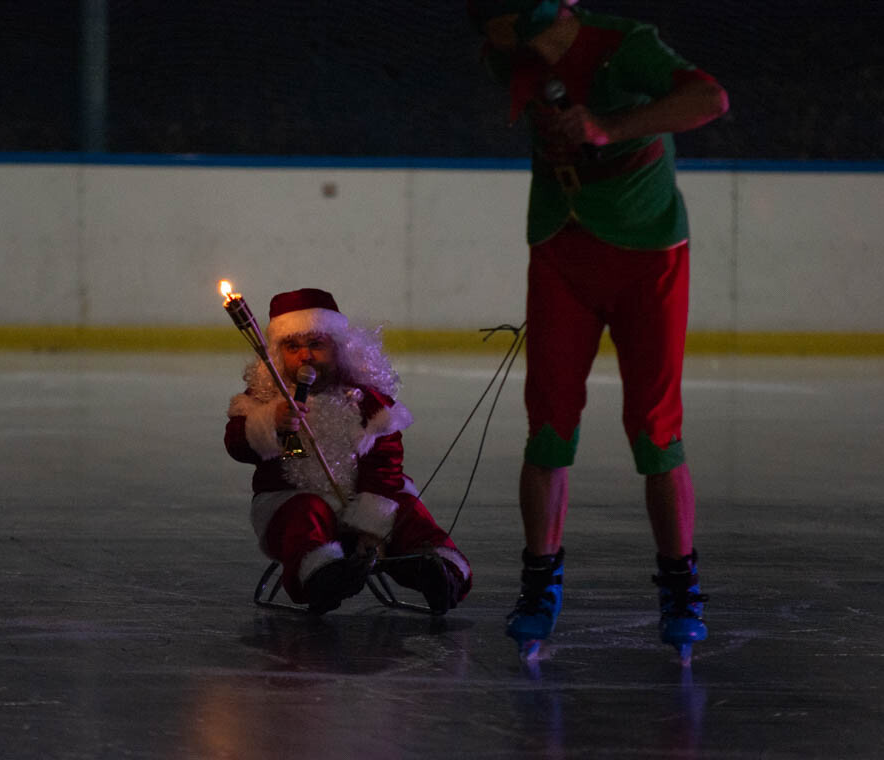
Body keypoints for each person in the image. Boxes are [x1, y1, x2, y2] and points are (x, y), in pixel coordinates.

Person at [466, 0, 729, 655]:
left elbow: (709, 99)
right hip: (562, 247)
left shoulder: (626, 44)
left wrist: (611, 127)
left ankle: (680, 585)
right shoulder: (511, 51)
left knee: (655, 428)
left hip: (648, 250)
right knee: (548, 425)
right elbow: (502, 46)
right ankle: (539, 581)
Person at [224, 288, 472, 615]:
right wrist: (269, 424)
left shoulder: (366, 403)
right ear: (277, 353)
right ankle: (321, 577)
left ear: (338, 349)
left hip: (362, 501)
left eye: (316, 344)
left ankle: (437, 570)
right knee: (305, 513)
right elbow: (238, 445)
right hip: (293, 503)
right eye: (293, 347)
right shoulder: (265, 401)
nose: (305, 356)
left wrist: (371, 528)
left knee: (406, 509)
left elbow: (385, 467)